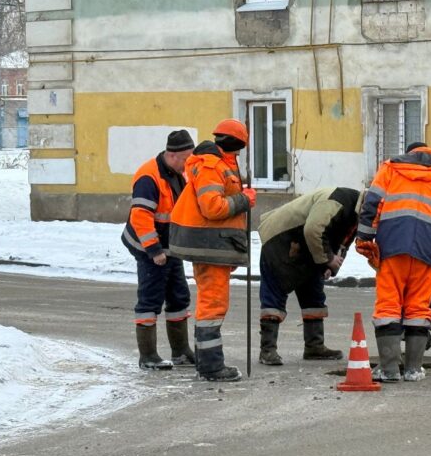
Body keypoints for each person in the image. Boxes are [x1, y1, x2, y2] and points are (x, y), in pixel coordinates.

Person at [356, 142, 431, 382]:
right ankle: (413, 369)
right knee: (418, 307)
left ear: (409, 154)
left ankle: (389, 369)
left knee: (388, 304)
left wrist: (364, 237)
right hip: (428, 250)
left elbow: (372, 203)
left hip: (392, 246)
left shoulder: (391, 168)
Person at [169, 119, 256, 382]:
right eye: (240, 146)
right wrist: (244, 199)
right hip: (210, 245)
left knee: (211, 305)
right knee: (212, 306)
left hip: (213, 245)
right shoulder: (211, 166)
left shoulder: (218, 164)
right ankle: (211, 368)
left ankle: (207, 364)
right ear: (237, 144)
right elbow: (213, 208)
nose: (240, 152)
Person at [257, 187, 363, 365]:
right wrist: (328, 259)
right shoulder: (338, 201)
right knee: (275, 290)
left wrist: (329, 264)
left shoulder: (357, 215)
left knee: (313, 292)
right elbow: (313, 230)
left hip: (307, 244)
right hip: (281, 238)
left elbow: (343, 241)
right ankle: (267, 350)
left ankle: (314, 346)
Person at [121, 129, 196, 370]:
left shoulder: (178, 173)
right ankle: (148, 356)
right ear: (172, 155)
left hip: (168, 246)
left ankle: (181, 352)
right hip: (148, 248)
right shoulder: (148, 176)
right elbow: (141, 216)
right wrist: (154, 251)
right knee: (150, 300)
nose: (188, 163)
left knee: (179, 297)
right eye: (186, 158)